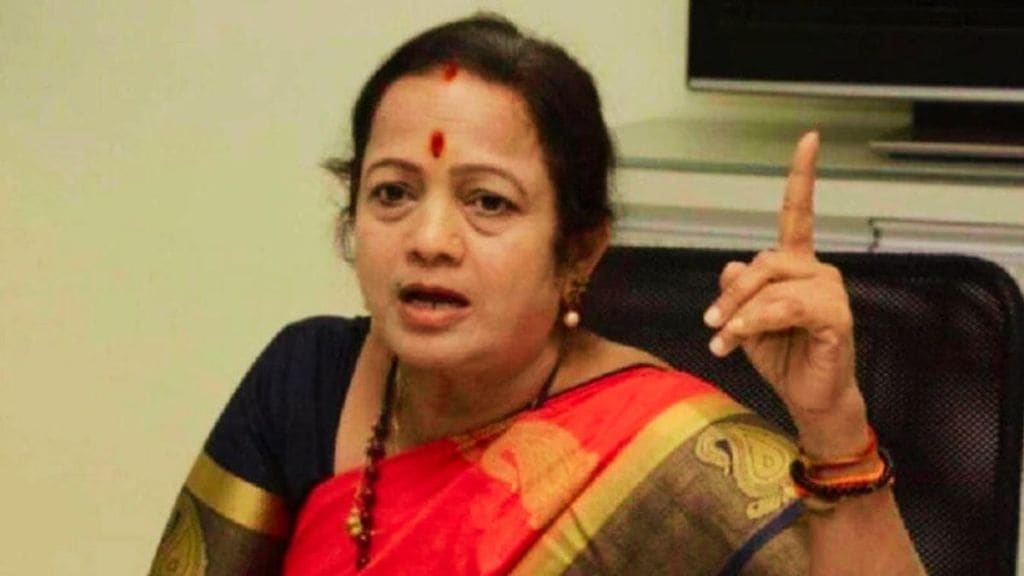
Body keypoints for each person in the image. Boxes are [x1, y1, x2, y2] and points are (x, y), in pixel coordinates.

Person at [150, 13, 925, 575]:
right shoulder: (304, 381)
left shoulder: (673, 453)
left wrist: (833, 428)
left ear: (579, 249)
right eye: (392, 193)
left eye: (488, 202)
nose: (429, 239)